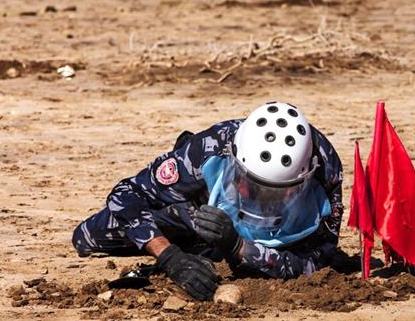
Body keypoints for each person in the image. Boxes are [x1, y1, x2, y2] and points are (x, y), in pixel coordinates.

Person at [72, 102, 343, 300]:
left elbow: (315, 263)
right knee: (87, 237)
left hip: (279, 228)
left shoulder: (327, 171)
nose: (262, 197)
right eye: (253, 186)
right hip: (199, 210)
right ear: (232, 159)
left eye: (275, 190)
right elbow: (126, 194)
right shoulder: (212, 146)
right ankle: (194, 228)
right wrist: (169, 256)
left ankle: (212, 244)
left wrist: (237, 247)